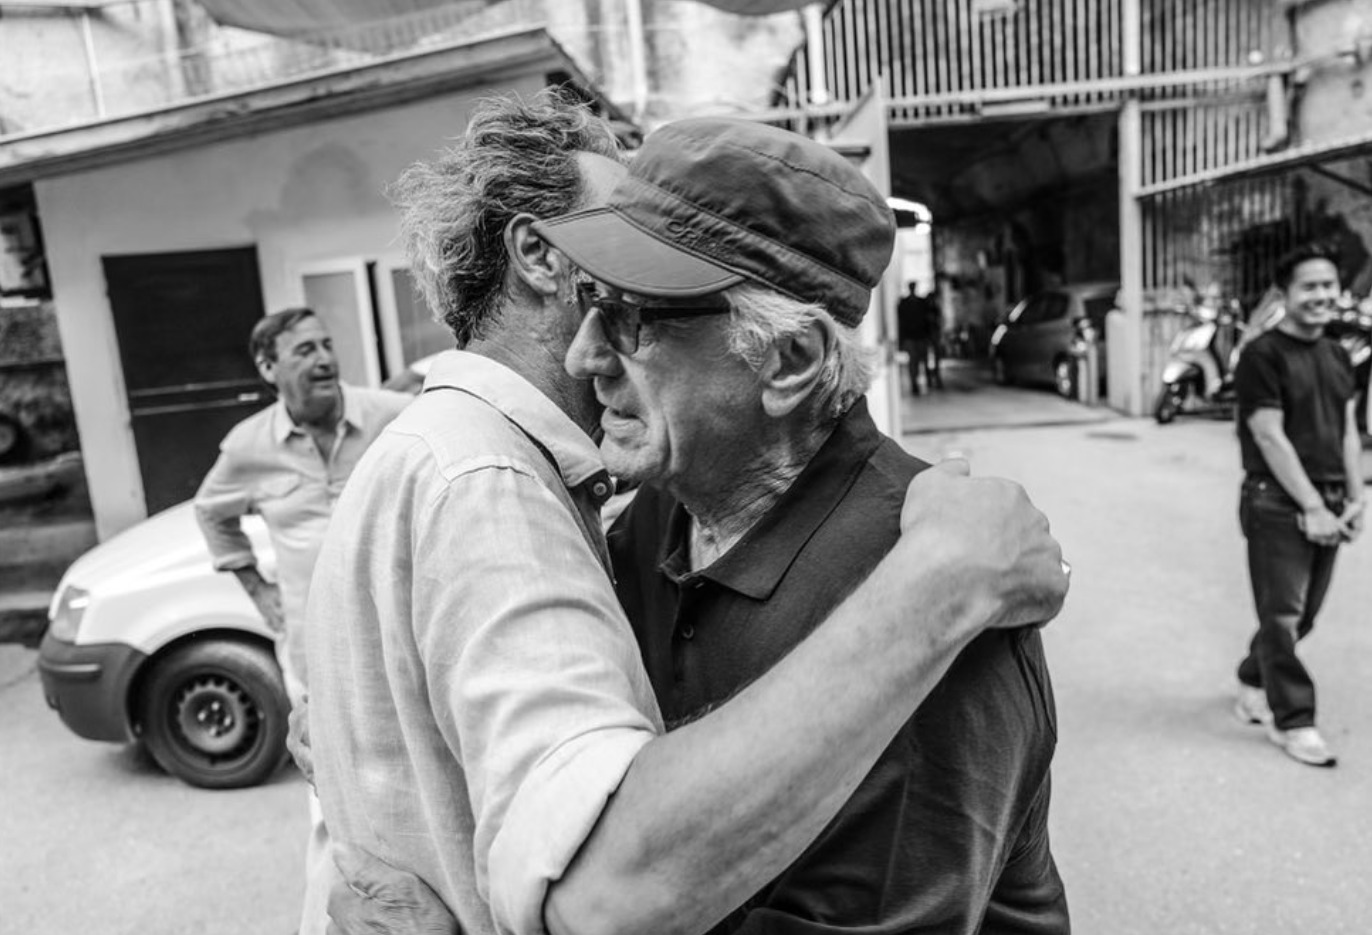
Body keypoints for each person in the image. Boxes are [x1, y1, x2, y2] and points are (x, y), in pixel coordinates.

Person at [303, 91, 1068, 935]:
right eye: (590, 298)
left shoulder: (935, 612)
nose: (587, 352)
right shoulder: (645, 525)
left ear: (790, 360)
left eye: (632, 317)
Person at [193, 307, 411, 935]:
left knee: (410, 791)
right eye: (303, 351)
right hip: (316, 660)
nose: (323, 359)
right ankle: (328, 923)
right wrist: (258, 591)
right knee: (332, 804)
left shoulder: (391, 417)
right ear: (268, 368)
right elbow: (213, 514)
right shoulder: (247, 448)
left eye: (326, 344)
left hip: (399, 643)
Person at [1231, 242, 1364, 768]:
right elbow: (1267, 435)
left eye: (1329, 285)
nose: (1322, 295)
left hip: (1331, 498)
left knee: (1302, 616)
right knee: (1283, 616)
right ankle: (1295, 721)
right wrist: (1310, 504)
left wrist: (1356, 496)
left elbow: (1349, 431)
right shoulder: (1262, 355)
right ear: (1284, 294)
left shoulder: (1336, 354)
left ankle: (1249, 681)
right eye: (1310, 286)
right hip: (1278, 502)